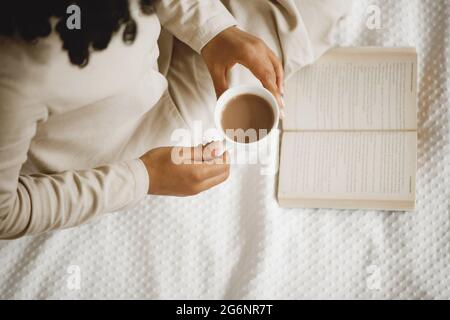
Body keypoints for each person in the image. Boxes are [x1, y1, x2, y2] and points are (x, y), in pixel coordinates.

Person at [0, 0, 284, 239]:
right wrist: (145, 176)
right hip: (132, 143)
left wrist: (214, 29)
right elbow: (5, 213)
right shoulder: (12, 81)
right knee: (295, 29)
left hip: (165, 53)